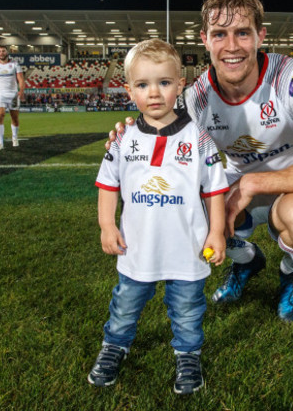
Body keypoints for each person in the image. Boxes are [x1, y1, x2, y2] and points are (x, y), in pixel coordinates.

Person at [107, 0, 293, 323]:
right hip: (234, 191)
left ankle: (290, 272)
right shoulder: (194, 98)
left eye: (242, 33)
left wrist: (252, 183)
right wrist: (126, 138)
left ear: (260, 35)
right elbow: (157, 144)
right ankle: (246, 261)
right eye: (220, 34)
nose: (232, 46)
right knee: (184, 213)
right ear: (205, 39)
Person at [88, 39, 228, 394]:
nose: (154, 93)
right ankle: (114, 347)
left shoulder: (198, 139)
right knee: (124, 305)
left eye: (164, 83)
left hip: (188, 249)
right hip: (137, 249)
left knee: (188, 310)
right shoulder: (123, 139)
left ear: (180, 85)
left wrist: (217, 232)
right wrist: (106, 224)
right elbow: (108, 184)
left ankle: (188, 355)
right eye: (142, 84)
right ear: (128, 90)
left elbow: (214, 190)